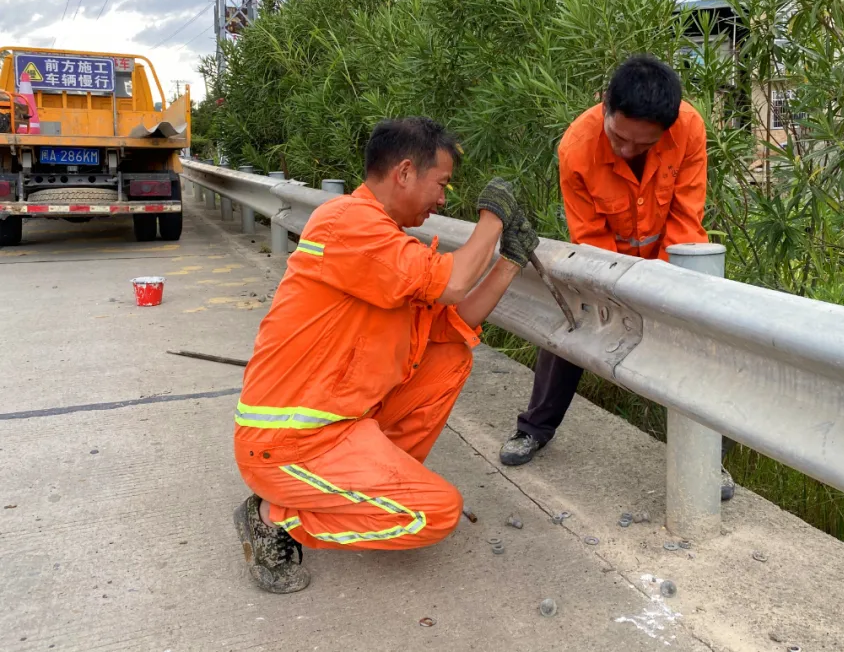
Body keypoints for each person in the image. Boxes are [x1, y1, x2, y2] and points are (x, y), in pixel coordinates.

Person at [232, 116, 537, 594]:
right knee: (434, 514)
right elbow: (455, 281)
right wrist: (493, 219)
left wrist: (510, 261)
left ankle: (357, 487)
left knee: (449, 355)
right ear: (405, 172)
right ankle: (276, 515)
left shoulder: (386, 242)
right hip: (287, 442)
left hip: (342, 425)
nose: (443, 199)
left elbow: (454, 320)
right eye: (441, 184)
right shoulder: (346, 223)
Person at [498, 54, 734, 499]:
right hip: (604, 263)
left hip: (672, 263)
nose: (627, 150)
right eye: (619, 137)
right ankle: (534, 428)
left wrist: (663, 294)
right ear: (604, 103)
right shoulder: (576, 147)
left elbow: (686, 218)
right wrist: (619, 297)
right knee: (569, 332)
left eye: (642, 146)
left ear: (665, 130)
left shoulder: (689, 128)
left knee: (691, 351)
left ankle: (705, 459)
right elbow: (590, 237)